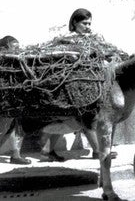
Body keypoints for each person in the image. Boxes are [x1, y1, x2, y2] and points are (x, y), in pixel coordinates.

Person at [42, 8, 116, 162]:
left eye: (89, 23)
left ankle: (47, 149)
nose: (88, 26)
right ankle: (97, 150)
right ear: (75, 22)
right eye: (84, 23)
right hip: (74, 84)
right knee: (85, 115)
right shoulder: (68, 39)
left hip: (89, 83)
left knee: (71, 118)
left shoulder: (92, 39)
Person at [0, 35, 32, 165]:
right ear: (3, 49)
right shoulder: (1, 63)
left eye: (18, 48)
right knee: (8, 129)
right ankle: (13, 155)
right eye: (14, 48)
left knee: (15, 129)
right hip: (6, 102)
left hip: (14, 101)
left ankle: (15, 155)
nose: (17, 50)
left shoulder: (13, 61)